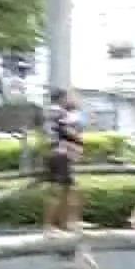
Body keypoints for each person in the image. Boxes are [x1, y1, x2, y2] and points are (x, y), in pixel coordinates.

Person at [43, 89, 84, 233]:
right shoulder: (56, 112)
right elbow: (70, 129)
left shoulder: (57, 112)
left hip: (62, 156)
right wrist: (77, 141)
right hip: (59, 156)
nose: (69, 100)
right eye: (67, 98)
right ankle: (50, 226)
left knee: (69, 190)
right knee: (58, 192)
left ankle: (65, 223)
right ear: (61, 99)